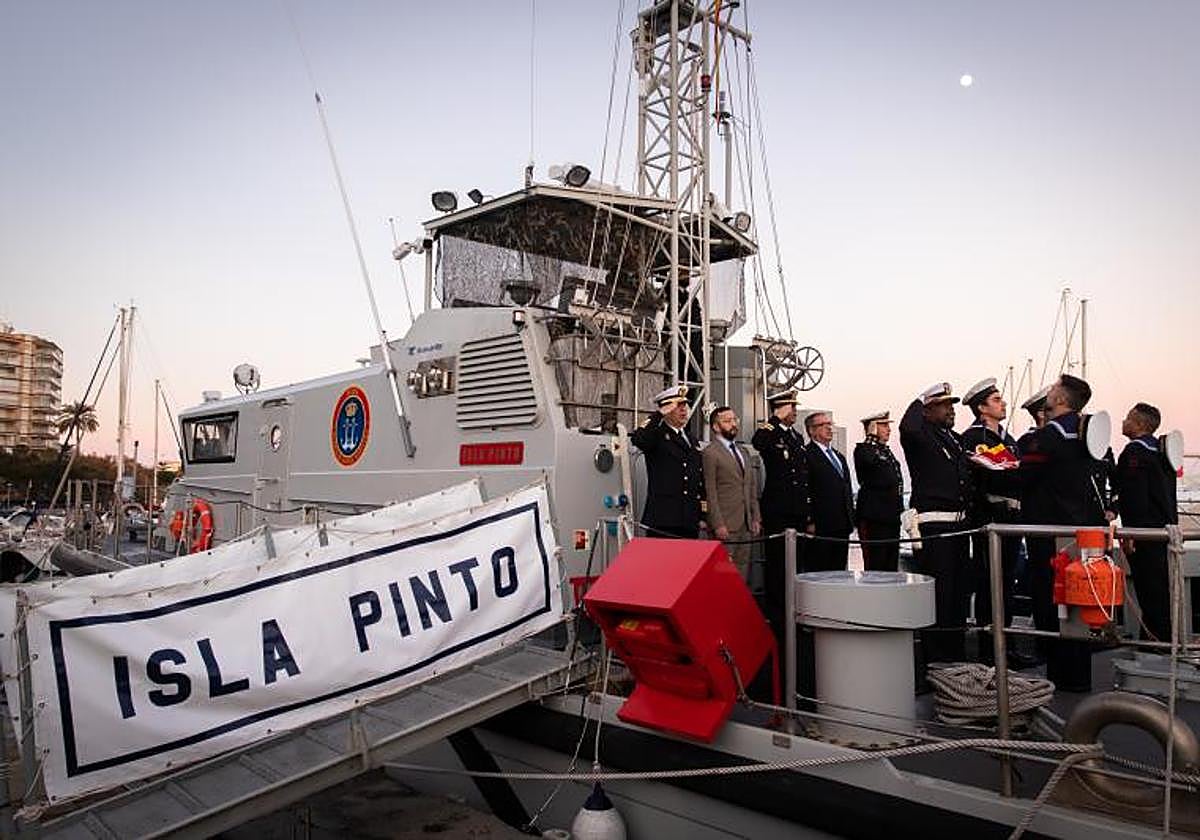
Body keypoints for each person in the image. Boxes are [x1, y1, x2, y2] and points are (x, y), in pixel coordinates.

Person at [1019, 373, 1107, 690]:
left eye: (1054, 389)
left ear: (1061, 400)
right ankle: (1078, 678)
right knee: (1078, 604)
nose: (1050, 392)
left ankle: (1059, 679)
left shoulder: (1048, 438)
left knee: (1052, 602)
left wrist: (988, 472)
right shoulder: (1085, 435)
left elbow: (1024, 478)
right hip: (1082, 533)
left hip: (1050, 534)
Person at [900, 382, 974, 664]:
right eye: (945, 405)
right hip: (935, 528)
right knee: (940, 594)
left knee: (957, 594)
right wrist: (921, 397)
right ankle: (936, 660)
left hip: (958, 526)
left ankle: (955, 656)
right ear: (928, 410)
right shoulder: (920, 437)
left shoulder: (952, 439)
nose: (951, 410)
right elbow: (908, 426)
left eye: (952, 405)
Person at [960, 378, 1025, 665]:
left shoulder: (1005, 439)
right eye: (997, 400)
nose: (1003, 404)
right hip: (990, 518)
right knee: (991, 583)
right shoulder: (975, 438)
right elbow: (999, 472)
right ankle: (990, 648)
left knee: (1006, 583)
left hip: (1011, 518)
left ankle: (1006, 643)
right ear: (982, 408)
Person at [751, 390, 813, 643]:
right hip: (778, 510)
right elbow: (759, 442)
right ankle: (778, 615)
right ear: (780, 408)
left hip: (796, 510)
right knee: (778, 567)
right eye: (791, 407)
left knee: (796, 565)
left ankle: (793, 611)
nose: (795, 412)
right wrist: (775, 419)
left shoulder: (796, 438)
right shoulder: (769, 431)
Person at [1114, 402, 1178, 643]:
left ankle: (1155, 643)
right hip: (1163, 531)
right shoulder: (1162, 453)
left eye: (1128, 418)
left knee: (1149, 590)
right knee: (1160, 591)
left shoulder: (1134, 453)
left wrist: (1131, 535)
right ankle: (1157, 638)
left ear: (1139, 424)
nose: (1123, 421)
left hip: (1145, 534)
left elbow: (1135, 499)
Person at [630, 384, 705, 538]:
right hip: (664, 519)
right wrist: (658, 415)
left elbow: (699, 480)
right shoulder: (657, 435)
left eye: (685, 405)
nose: (684, 409)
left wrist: (702, 514)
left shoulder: (692, 440)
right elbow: (639, 439)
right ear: (666, 409)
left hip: (689, 519)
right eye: (678, 406)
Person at [703, 405, 762, 579]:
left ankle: (738, 606)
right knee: (723, 575)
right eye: (727, 421)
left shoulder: (743, 452)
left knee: (742, 574)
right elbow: (710, 490)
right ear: (715, 426)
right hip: (726, 524)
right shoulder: (710, 453)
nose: (733, 424)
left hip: (746, 524)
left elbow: (750, 487)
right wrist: (717, 523)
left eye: (734, 420)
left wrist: (755, 516)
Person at [804, 411, 855, 572]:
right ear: (811, 430)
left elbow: (846, 487)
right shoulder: (807, 455)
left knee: (839, 570)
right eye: (823, 425)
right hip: (822, 525)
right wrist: (809, 520)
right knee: (821, 570)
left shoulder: (839, 456)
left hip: (842, 524)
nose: (829, 428)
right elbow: (805, 489)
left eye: (830, 424)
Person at [854, 411, 903, 572]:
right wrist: (871, 437)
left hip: (891, 517)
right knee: (875, 564)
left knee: (890, 564)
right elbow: (869, 462)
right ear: (873, 428)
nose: (888, 429)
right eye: (883, 425)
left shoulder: (885, 452)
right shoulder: (864, 450)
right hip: (874, 517)